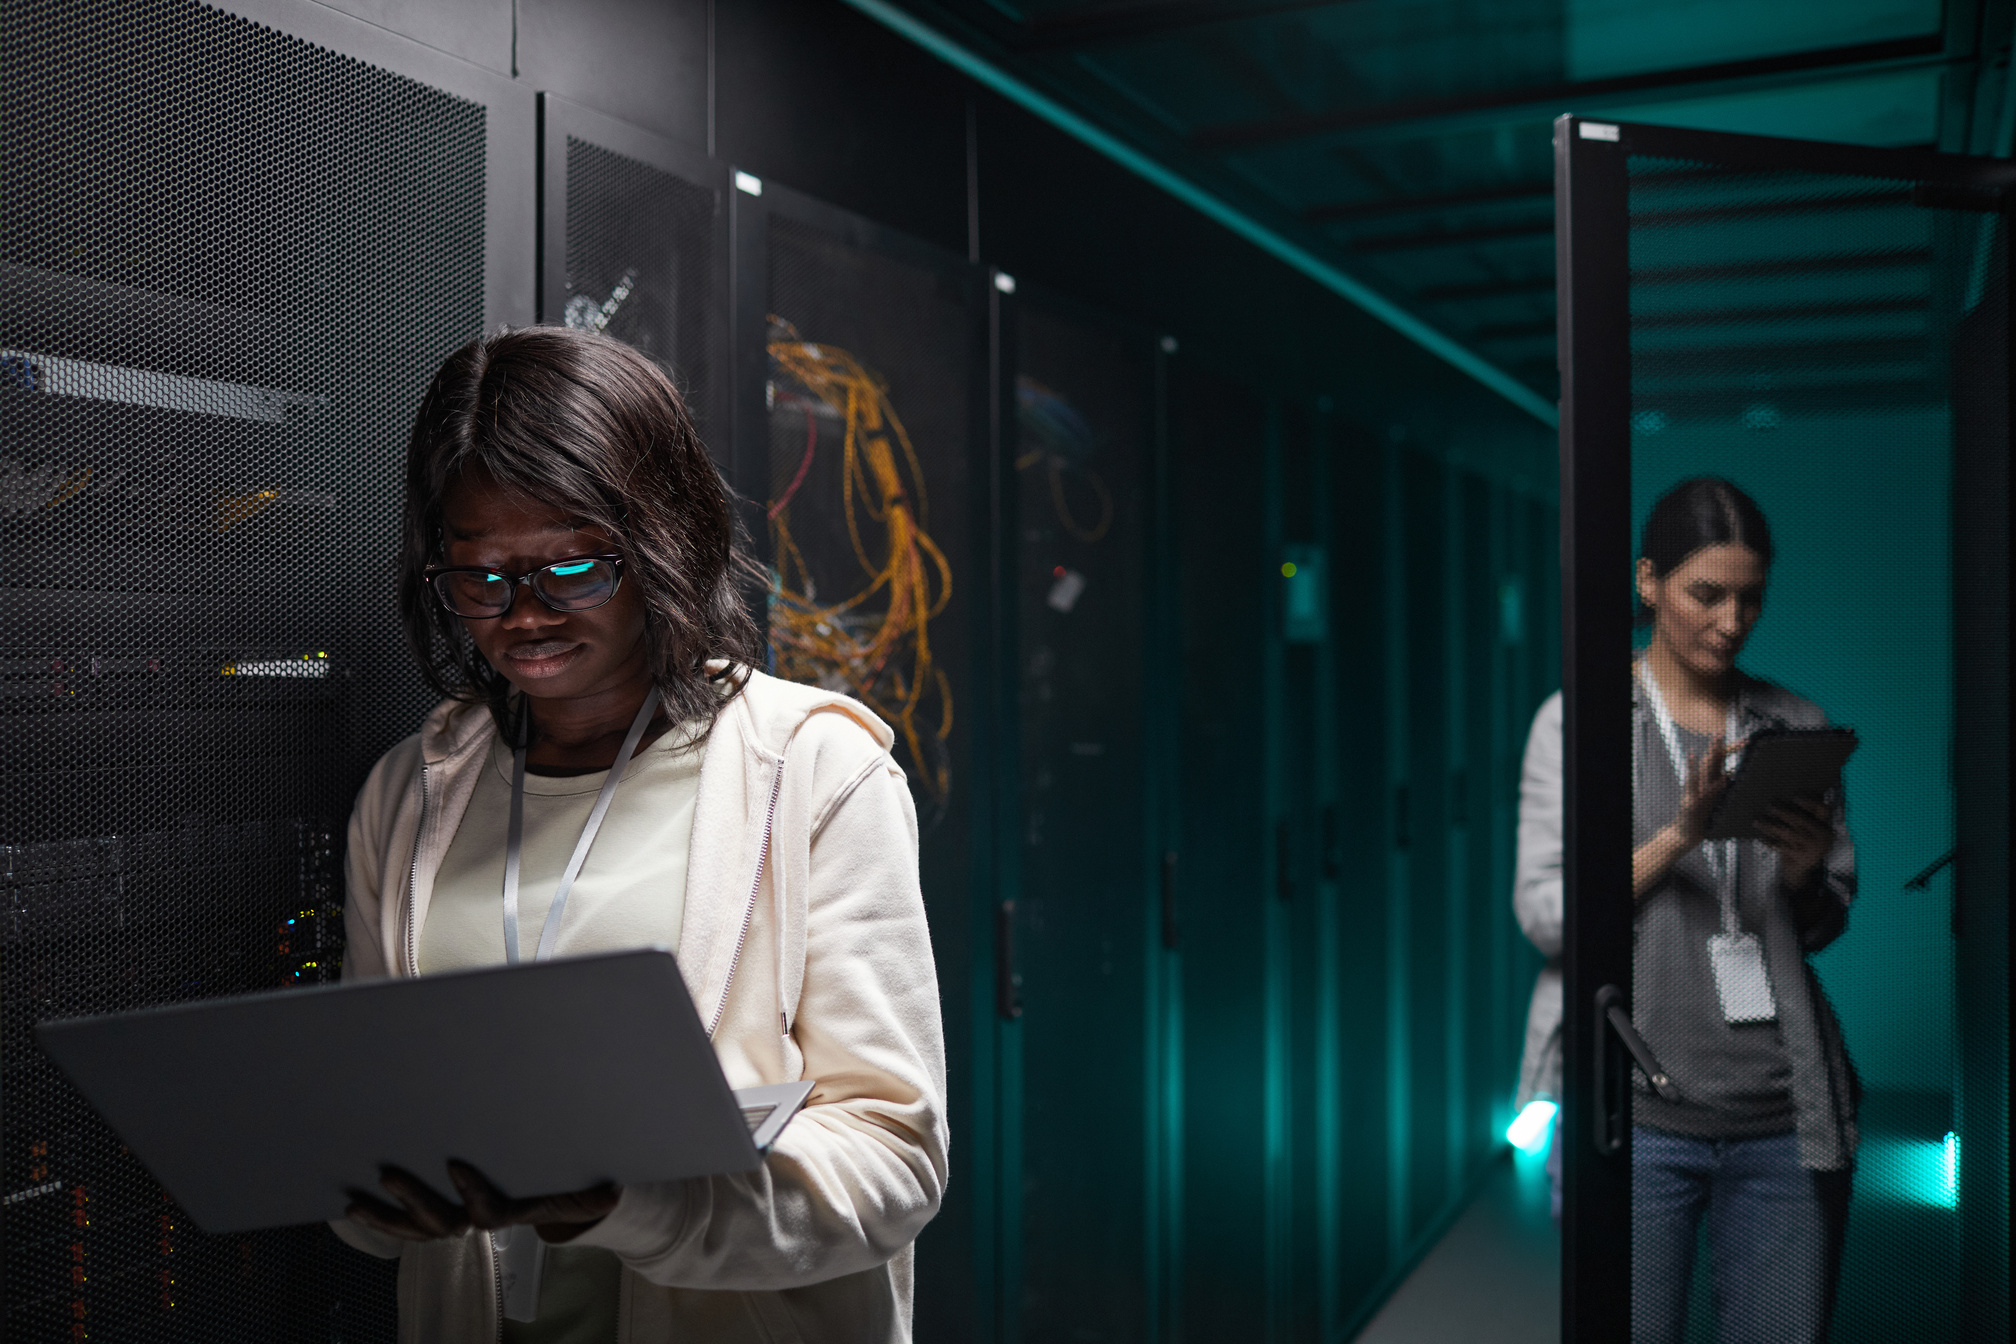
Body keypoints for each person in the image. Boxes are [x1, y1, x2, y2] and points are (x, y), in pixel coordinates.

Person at [329, 326, 948, 1344]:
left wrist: (630, 1211)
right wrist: (372, 1199)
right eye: (480, 578)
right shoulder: (411, 793)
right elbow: (369, 1118)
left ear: (665, 538)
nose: (521, 616)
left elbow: (892, 1160)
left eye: (568, 570)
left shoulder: (817, 775)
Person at [1513, 477, 1857, 1343]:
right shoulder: (1579, 724)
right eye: (1708, 594)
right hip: (1634, 1123)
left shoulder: (1791, 722)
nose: (1732, 621)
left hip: (1781, 1120)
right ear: (1648, 582)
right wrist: (1677, 837)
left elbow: (1822, 924)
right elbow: (1548, 916)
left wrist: (1809, 875)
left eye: (1751, 599)